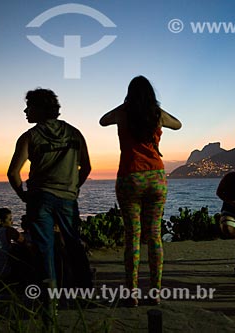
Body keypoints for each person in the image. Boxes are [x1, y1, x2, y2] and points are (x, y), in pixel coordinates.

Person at [7, 88, 93, 321]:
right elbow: (86, 167)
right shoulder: (75, 133)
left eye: (29, 106)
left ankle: (50, 304)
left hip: (39, 198)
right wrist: (73, 188)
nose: (25, 111)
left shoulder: (29, 136)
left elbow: (14, 173)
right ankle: (86, 296)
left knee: (45, 250)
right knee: (74, 244)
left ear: (40, 108)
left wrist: (22, 195)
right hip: (67, 198)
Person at [99, 76, 182, 307]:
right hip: (156, 178)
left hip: (129, 178)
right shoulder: (156, 114)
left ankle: (132, 293)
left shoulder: (123, 112)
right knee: (154, 237)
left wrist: (126, 106)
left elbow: (102, 120)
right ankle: (155, 292)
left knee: (132, 239)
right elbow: (178, 124)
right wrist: (155, 109)